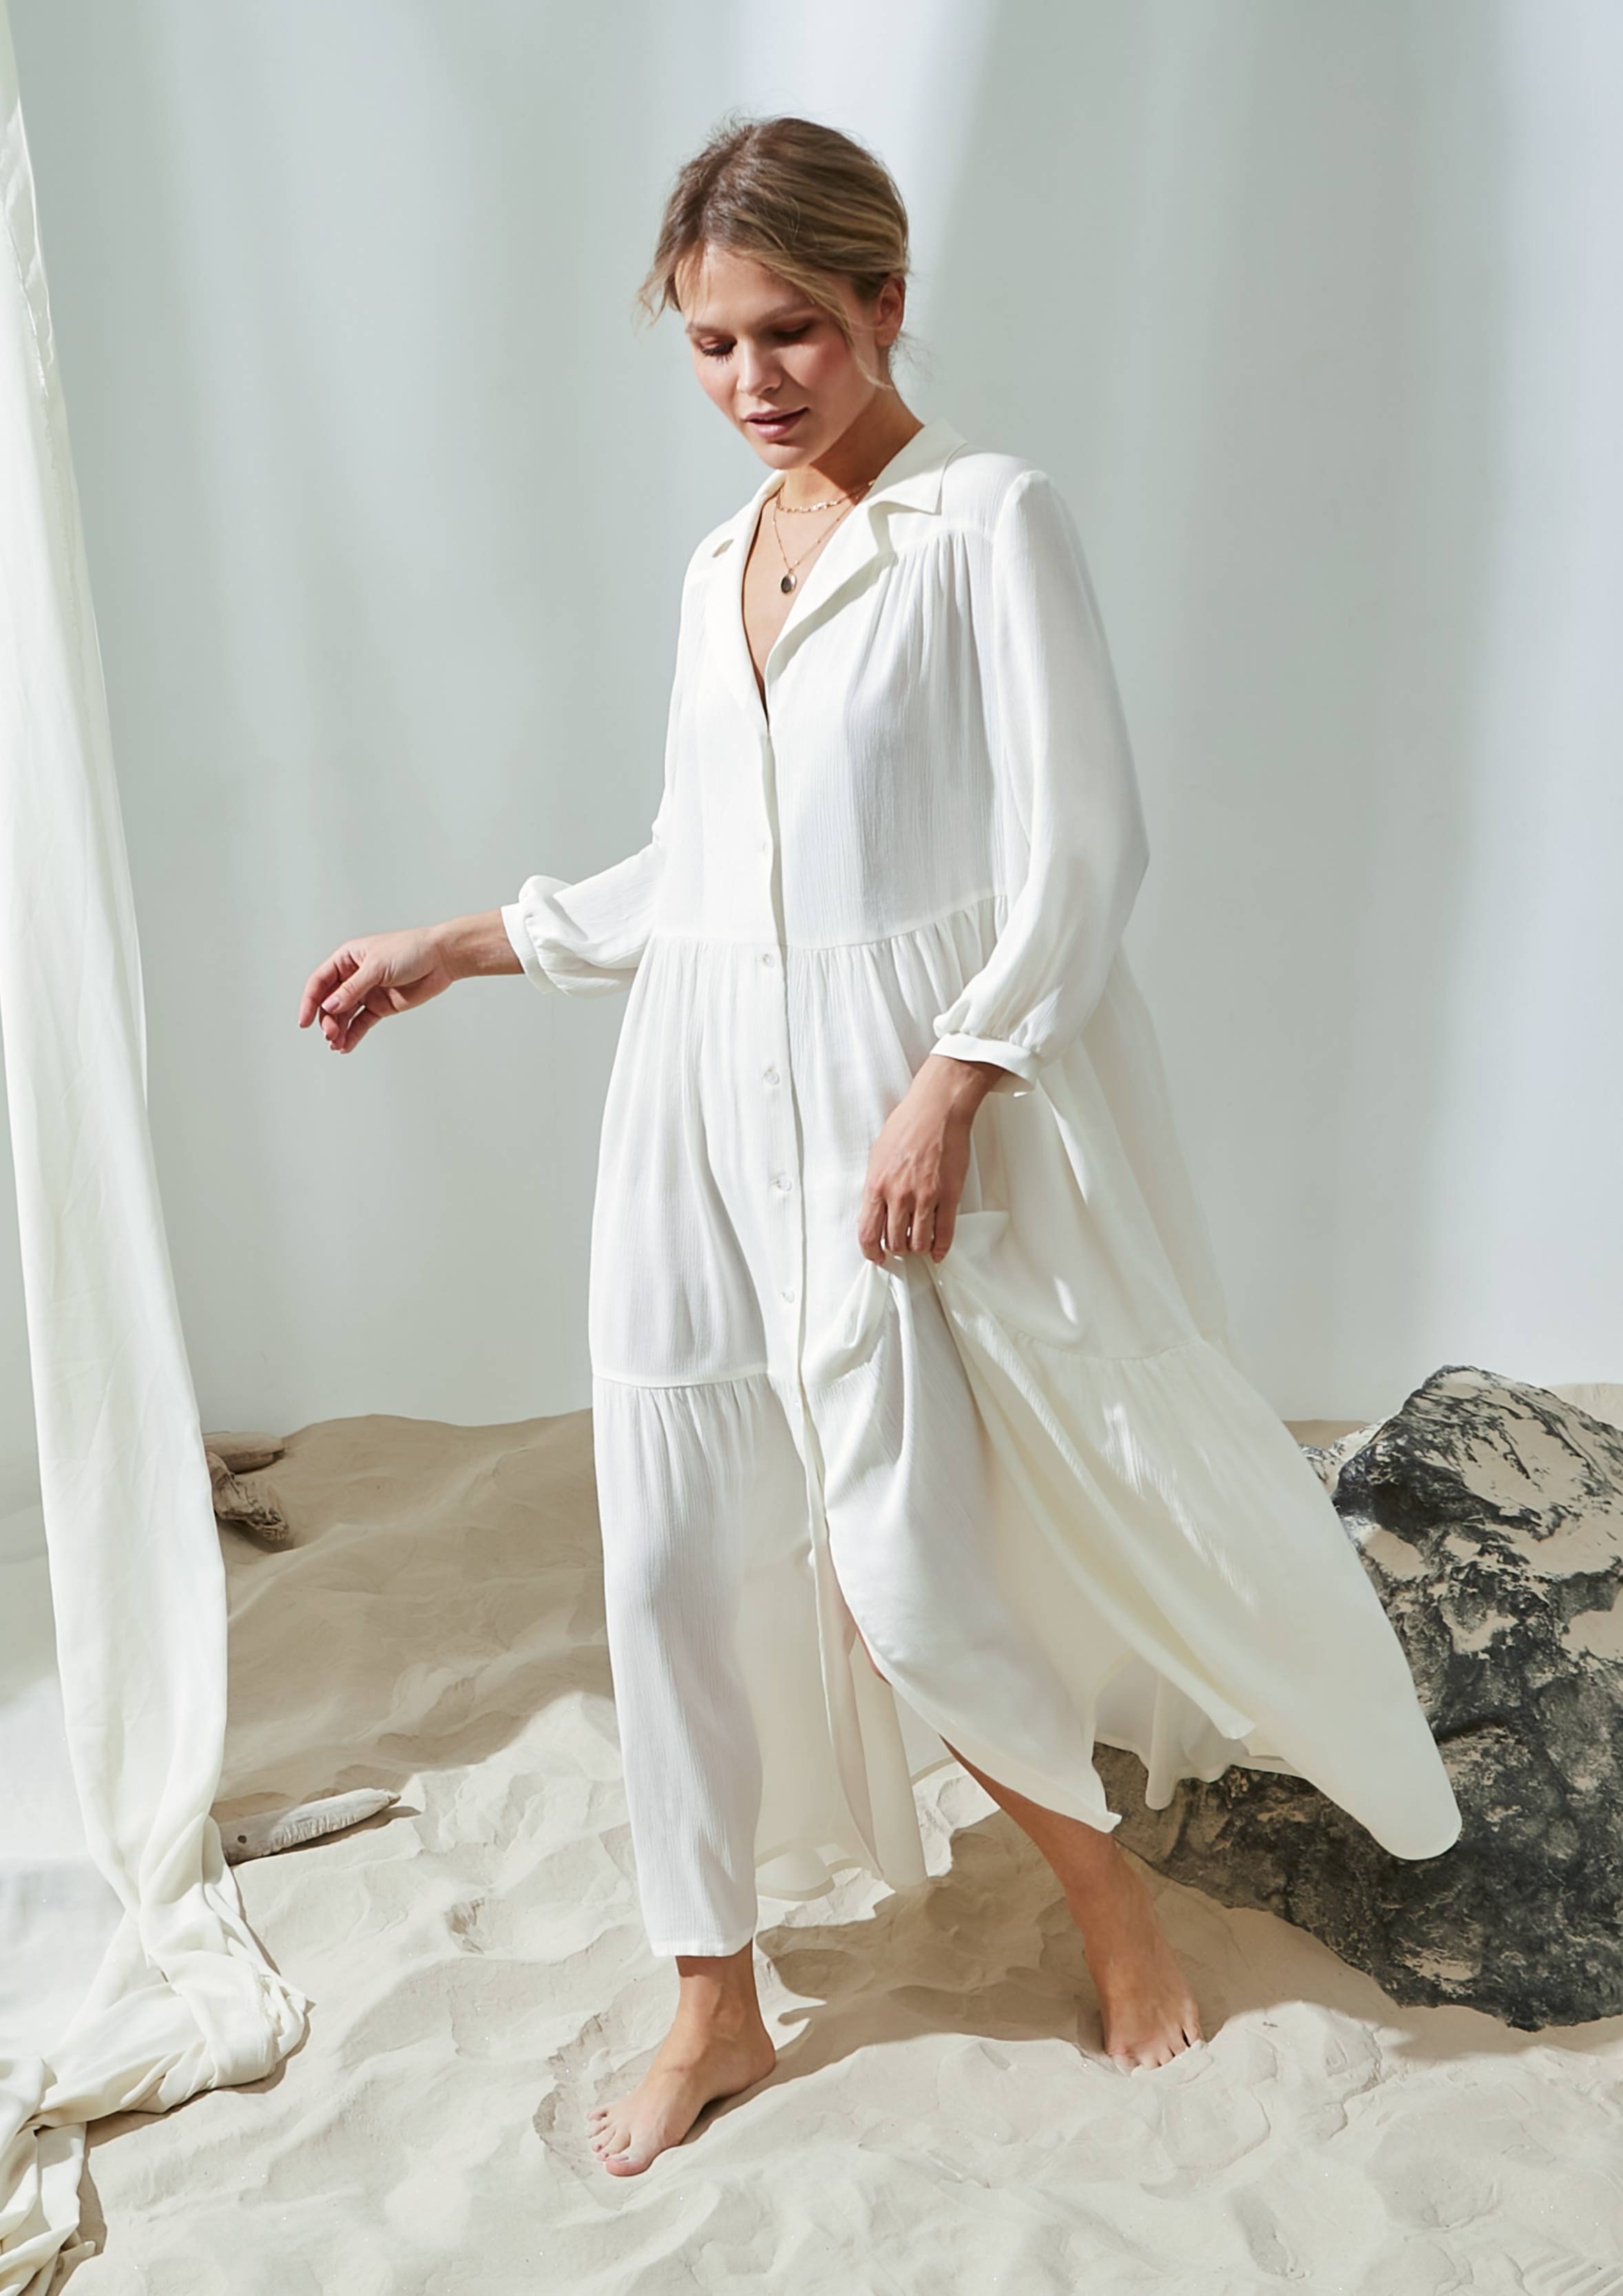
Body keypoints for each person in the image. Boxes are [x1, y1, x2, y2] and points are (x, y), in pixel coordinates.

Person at [299, 114, 1462, 2177]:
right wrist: (457, 948)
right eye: (713, 344)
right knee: (663, 1559)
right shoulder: (714, 566)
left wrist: (957, 1074)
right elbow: (701, 866)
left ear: (885, 303)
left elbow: (1088, 848)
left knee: (903, 1570)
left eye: (796, 334)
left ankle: (1108, 1901)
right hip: (689, 1098)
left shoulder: (989, 521)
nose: (755, 382)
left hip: (883, 1107)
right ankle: (712, 2001)